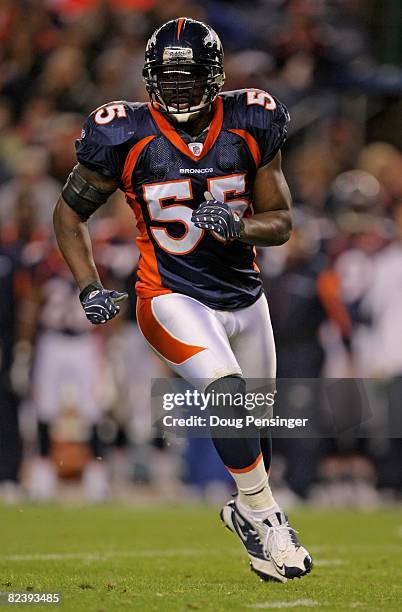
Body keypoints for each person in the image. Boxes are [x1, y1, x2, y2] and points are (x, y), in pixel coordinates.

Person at [53, 17, 312, 582]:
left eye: (188, 78)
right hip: (170, 293)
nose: (175, 91)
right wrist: (89, 285)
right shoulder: (123, 133)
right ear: (149, 77)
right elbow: (69, 214)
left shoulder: (251, 121)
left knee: (256, 426)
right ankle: (270, 519)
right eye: (166, 80)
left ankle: (246, 516)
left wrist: (239, 227)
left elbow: (283, 221)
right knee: (228, 395)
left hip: (245, 298)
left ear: (215, 76)